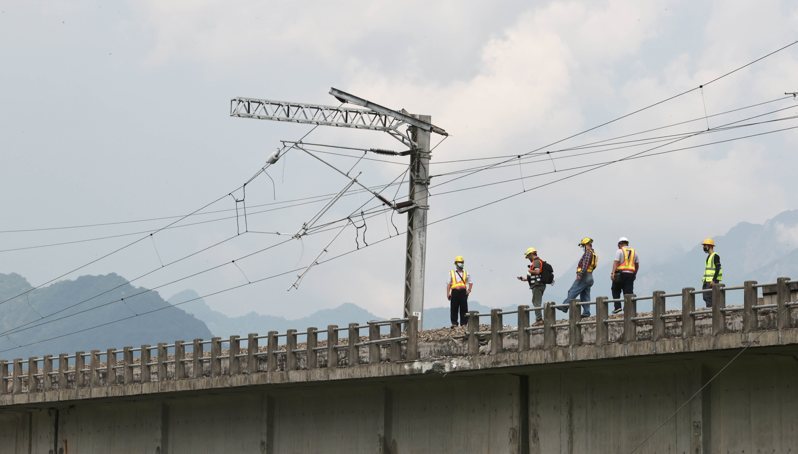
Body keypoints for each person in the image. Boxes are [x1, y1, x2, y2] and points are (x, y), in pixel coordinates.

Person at [560, 237, 597, 317]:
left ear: (586, 245)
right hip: (590, 277)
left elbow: (585, 265)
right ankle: (586, 312)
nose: (583, 248)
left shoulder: (587, 253)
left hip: (584, 276)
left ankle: (564, 306)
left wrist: (580, 274)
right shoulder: (593, 253)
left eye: (583, 245)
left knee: (572, 291)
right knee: (585, 295)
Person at [610, 237, 639, 314]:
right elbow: (637, 265)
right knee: (628, 292)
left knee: (615, 289)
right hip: (630, 275)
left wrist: (613, 273)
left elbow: (616, 262)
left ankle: (617, 307)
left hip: (620, 274)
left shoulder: (619, 251)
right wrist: (635, 274)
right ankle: (628, 309)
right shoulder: (634, 252)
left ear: (620, 244)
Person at [517, 247, 545, 324]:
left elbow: (537, 272)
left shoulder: (536, 262)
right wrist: (525, 279)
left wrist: (530, 270)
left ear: (532, 254)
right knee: (535, 301)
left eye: (528, 256)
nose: (528, 258)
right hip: (538, 284)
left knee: (536, 302)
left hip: (537, 285)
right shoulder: (537, 261)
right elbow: (535, 276)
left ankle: (539, 320)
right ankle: (539, 319)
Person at [446, 255, 473, 326]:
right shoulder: (451, 273)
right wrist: (448, 293)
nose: (460, 263)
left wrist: (469, 290)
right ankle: (454, 323)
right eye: (459, 262)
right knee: (454, 308)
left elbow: (470, 282)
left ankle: (464, 323)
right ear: (456, 263)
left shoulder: (466, 273)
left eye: (461, 262)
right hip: (454, 292)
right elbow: (448, 284)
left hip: (463, 292)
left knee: (464, 308)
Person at [701, 238, 722, 307]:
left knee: (709, 297)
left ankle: (711, 312)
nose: (704, 247)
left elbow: (718, 268)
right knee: (705, 297)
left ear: (710, 246)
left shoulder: (715, 256)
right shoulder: (708, 257)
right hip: (706, 281)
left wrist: (714, 280)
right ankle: (710, 311)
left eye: (705, 245)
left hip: (711, 282)